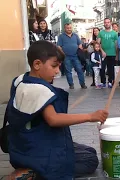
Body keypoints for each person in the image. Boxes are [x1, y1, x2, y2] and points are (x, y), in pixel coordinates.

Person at [6, 41, 108, 179]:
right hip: (37, 149)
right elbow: (53, 119)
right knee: (90, 160)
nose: (57, 71)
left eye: (59, 66)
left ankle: (32, 166)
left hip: (22, 145)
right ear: (37, 64)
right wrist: (90, 116)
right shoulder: (38, 89)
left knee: (88, 151)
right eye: (54, 66)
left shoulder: (20, 80)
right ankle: (34, 172)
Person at [57, 23, 87, 89]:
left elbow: (79, 44)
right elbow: (59, 46)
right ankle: (71, 85)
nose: (69, 29)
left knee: (79, 70)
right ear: (65, 28)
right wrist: (63, 54)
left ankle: (82, 84)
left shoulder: (75, 35)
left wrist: (79, 49)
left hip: (76, 56)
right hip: (66, 56)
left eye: (70, 27)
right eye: (67, 28)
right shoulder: (61, 36)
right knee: (68, 71)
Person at [97, 18, 118, 88]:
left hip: (112, 53)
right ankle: (103, 82)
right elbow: (98, 43)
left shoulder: (114, 33)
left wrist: (117, 54)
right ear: (104, 24)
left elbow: (116, 44)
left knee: (110, 69)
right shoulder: (101, 33)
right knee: (102, 68)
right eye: (105, 22)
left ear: (110, 23)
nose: (107, 24)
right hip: (103, 54)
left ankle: (110, 82)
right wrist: (102, 51)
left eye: (108, 22)